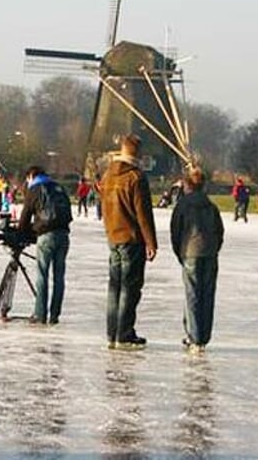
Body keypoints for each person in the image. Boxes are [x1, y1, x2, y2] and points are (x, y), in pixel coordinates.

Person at [100, 133, 158, 350]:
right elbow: (143, 214)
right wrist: (151, 242)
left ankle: (112, 332)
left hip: (113, 237)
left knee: (114, 287)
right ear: (138, 154)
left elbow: (104, 206)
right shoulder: (135, 177)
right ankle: (124, 333)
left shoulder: (107, 176)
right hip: (131, 239)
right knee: (130, 288)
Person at [171, 167, 224, 353]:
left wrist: (180, 253)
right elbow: (219, 232)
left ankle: (194, 336)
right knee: (207, 295)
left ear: (187, 184)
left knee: (192, 294)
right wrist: (214, 249)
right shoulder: (211, 206)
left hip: (190, 252)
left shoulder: (183, 205)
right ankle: (203, 336)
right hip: (209, 253)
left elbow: (175, 231)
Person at [18, 166, 73, 325]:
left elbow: (25, 215)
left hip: (46, 236)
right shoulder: (59, 188)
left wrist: (22, 233)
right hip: (63, 235)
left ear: (31, 176)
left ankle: (40, 314)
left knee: (42, 275)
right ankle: (55, 315)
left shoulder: (35, 189)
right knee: (59, 277)